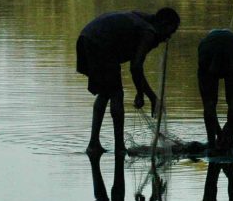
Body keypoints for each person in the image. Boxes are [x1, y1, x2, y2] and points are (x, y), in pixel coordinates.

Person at [77, 8, 181, 155]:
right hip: (99, 43)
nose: (169, 36)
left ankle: (94, 144)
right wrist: (147, 96)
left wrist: (144, 94)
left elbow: (135, 66)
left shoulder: (144, 20)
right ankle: (119, 147)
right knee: (116, 94)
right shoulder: (149, 32)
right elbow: (136, 67)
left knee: (105, 92)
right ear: (164, 24)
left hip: (86, 37)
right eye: (172, 30)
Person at [197, 29, 233, 153]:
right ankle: (228, 143)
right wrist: (228, 127)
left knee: (209, 103)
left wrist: (221, 131)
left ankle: (211, 146)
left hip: (208, 49)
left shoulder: (207, 48)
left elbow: (208, 106)